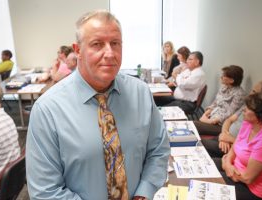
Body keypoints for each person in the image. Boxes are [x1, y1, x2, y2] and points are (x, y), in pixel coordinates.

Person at [26, 10, 170, 200]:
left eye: (115, 43)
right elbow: (45, 190)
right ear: (77, 50)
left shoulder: (141, 93)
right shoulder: (47, 109)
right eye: (97, 44)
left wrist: (145, 191)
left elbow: (158, 149)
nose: (109, 53)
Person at [214, 91, 262, 199]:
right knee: (205, 164)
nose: (244, 109)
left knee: (207, 181)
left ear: (260, 115)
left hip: (251, 189)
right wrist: (227, 163)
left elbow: (247, 178)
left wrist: (226, 167)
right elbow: (234, 148)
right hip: (235, 169)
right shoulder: (248, 123)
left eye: (248, 108)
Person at [202, 80, 262, 158]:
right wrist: (224, 134)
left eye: (254, 91)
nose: (250, 93)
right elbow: (229, 120)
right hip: (226, 137)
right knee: (198, 143)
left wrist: (229, 139)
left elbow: (249, 148)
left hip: (231, 146)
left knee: (198, 144)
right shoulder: (248, 111)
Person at [194, 65, 246, 136]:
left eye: (223, 76)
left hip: (221, 125)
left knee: (194, 125)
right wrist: (207, 112)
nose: (221, 77)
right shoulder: (224, 87)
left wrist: (209, 121)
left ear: (231, 80)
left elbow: (229, 113)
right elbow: (215, 103)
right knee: (192, 126)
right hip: (211, 117)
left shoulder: (239, 94)